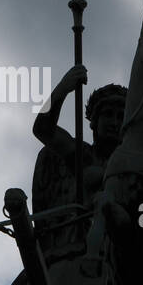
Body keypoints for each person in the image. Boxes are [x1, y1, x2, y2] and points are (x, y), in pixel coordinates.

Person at [31, 64, 126, 253]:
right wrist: (63, 88)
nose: (114, 122)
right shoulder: (81, 154)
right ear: (94, 122)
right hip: (73, 247)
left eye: (121, 116)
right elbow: (42, 129)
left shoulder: (133, 164)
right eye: (108, 114)